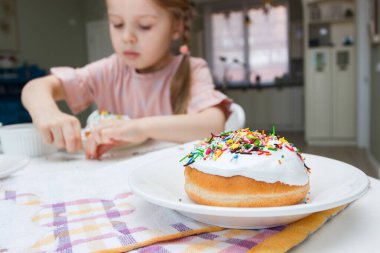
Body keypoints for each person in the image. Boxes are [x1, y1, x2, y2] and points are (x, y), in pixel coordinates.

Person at [21, 0, 231, 159]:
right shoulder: (110, 70)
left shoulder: (193, 69)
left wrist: (140, 128)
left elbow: (213, 125)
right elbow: (35, 87)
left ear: (176, 27)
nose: (126, 37)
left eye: (145, 26)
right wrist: (47, 112)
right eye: (117, 24)